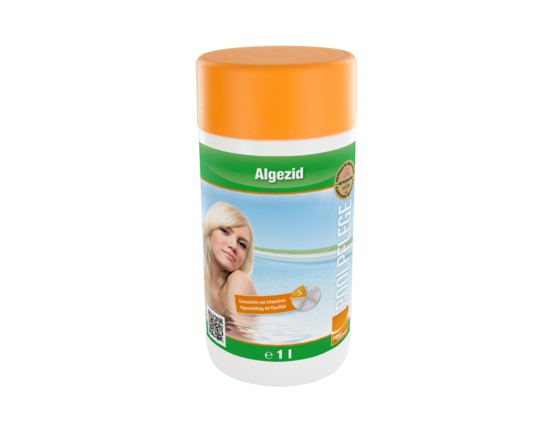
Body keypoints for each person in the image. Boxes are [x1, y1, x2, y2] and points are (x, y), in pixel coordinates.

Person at [204, 202, 257, 315]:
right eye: (225, 231)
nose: (233, 245)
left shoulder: (238, 280)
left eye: (242, 244)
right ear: (210, 229)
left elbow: (240, 327)